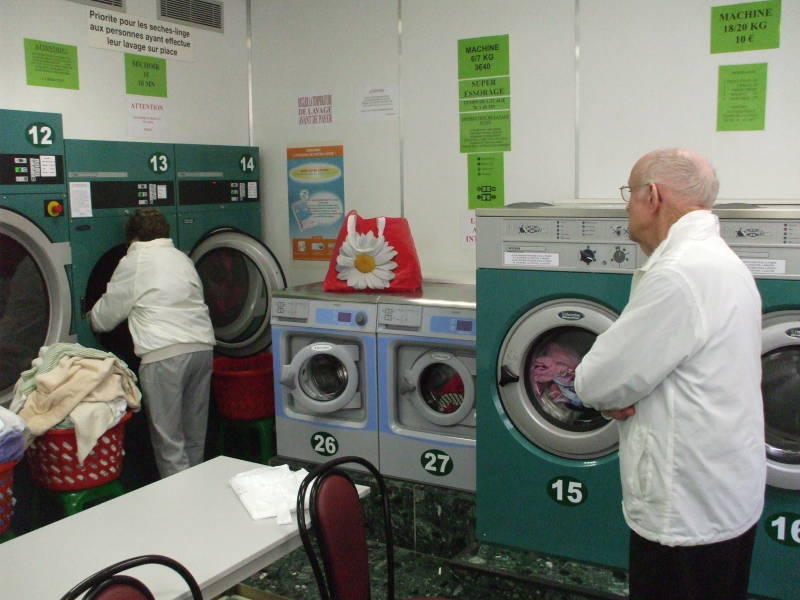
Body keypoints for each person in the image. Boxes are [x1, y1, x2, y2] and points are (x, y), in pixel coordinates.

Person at [573, 148, 766, 600]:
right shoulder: (723, 263)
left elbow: (595, 380)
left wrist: (605, 392)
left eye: (628, 194)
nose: (626, 207)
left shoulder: (678, 274)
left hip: (686, 508)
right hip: (723, 490)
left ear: (652, 196)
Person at [89, 208, 215, 478]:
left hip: (164, 355)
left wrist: (89, 316)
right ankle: (199, 497)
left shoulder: (134, 261)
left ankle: (179, 508)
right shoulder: (182, 259)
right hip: (202, 350)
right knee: (194, 437)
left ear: (132, 239)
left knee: (169, 442)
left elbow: (105, 318)